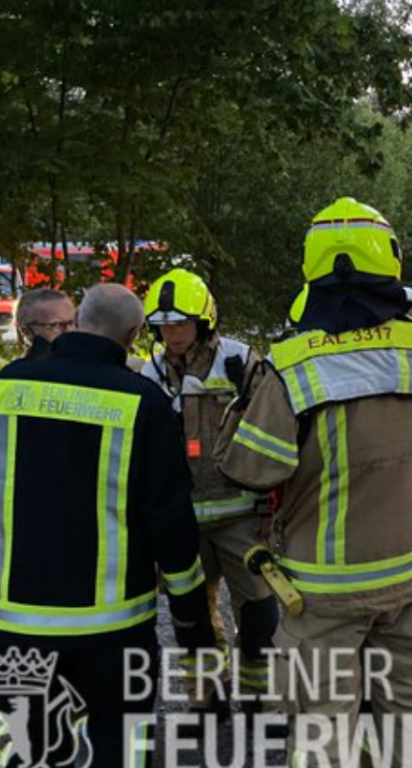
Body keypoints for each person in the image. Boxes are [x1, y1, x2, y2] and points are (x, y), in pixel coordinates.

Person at [218, 197, 412, 768]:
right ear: (388, 262)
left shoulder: (288, 365)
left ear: (311, 266)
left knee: (324, 735)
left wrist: (246, 394)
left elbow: (249, 468)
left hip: (321, 592)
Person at [0, 283, 215, 768]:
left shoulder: (2, 390)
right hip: (116, 632)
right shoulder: (144, 401)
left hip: (16, 624)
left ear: (79, 321)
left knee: (32, 756)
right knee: (120, 749)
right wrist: (190, 615)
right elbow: (171, 520)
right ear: (133, 337)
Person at [140, 268, 278, 715]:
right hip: (182, 523)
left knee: (258, 612)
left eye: (179, 323)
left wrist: (271, 503)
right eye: (161, 324)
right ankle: (209, 697)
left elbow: (273, 433)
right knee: (192, 620)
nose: (170, 333)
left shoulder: (240, 363)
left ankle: (259, 696)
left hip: (241, 520)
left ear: (203, 320)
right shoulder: (150, 373)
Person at [13, 288, 75, 359]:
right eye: (57, 325)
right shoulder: (20, 369)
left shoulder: (85, 363)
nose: (69, 331)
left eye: (72, 323)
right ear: (26, 331)